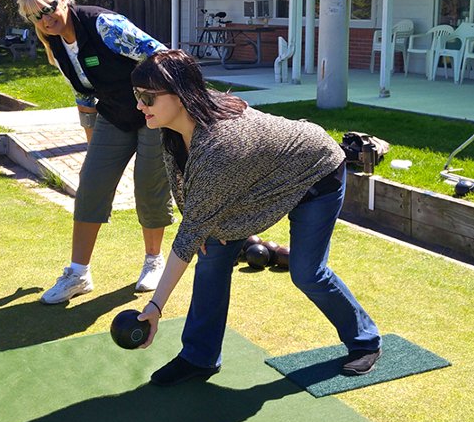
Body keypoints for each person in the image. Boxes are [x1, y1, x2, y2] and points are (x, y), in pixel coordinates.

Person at [128, 49, 382, 386]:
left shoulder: (220, 146)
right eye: (136, 95)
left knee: (307, 273)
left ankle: (366, 341)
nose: (139, 105)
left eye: (147, 97)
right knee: (212, 255)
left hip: (316, 171)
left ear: (180, 95)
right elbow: (193, 206)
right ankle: (198, 357)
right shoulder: (174, 126)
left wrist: (156, 308)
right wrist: (206, 224)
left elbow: (188, 235)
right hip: (259, 180)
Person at [16, 0, 173, 304]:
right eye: (36, 17)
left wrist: (155, 101)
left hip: (153, 113)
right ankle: (78, 274)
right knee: (90, 185)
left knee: (148, 186)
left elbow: (161, 56)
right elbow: (83, 94)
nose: (46, 19)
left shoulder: (103, 24)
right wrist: (92, 142)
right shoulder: (56, 45)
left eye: (49, 9)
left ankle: (153, 261)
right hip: (114, 115)